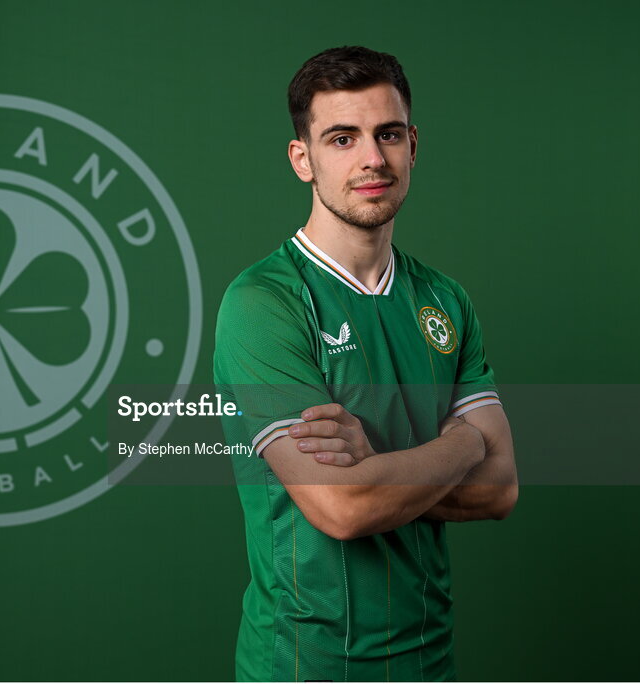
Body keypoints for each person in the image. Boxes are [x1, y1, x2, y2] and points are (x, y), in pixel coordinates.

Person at [213, 46, 518, 682]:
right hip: (306, 664)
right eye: (342, 138)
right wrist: (463, 442)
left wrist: (375, 462)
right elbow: (342, 508)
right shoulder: (263, 303)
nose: (372, 159)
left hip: (429, 660)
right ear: (304, 159)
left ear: (413, 144)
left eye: (388, 135)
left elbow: (500, 489)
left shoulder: (445, 300)